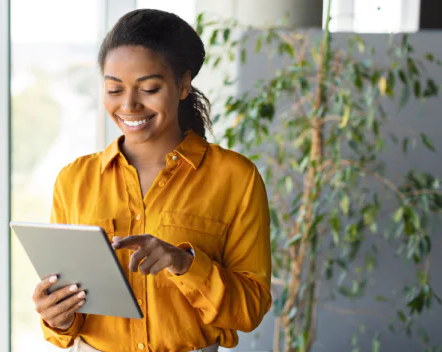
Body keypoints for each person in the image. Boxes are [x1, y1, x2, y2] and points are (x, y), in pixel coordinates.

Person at [31, 8, 272, 352]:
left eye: (149, 88)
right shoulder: (74, 180)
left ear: (183, 84)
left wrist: (183, 264)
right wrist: (58, 317)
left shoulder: (236, 178)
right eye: (114, 89)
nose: (129, 104)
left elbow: (250, 310)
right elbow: (68, 320)